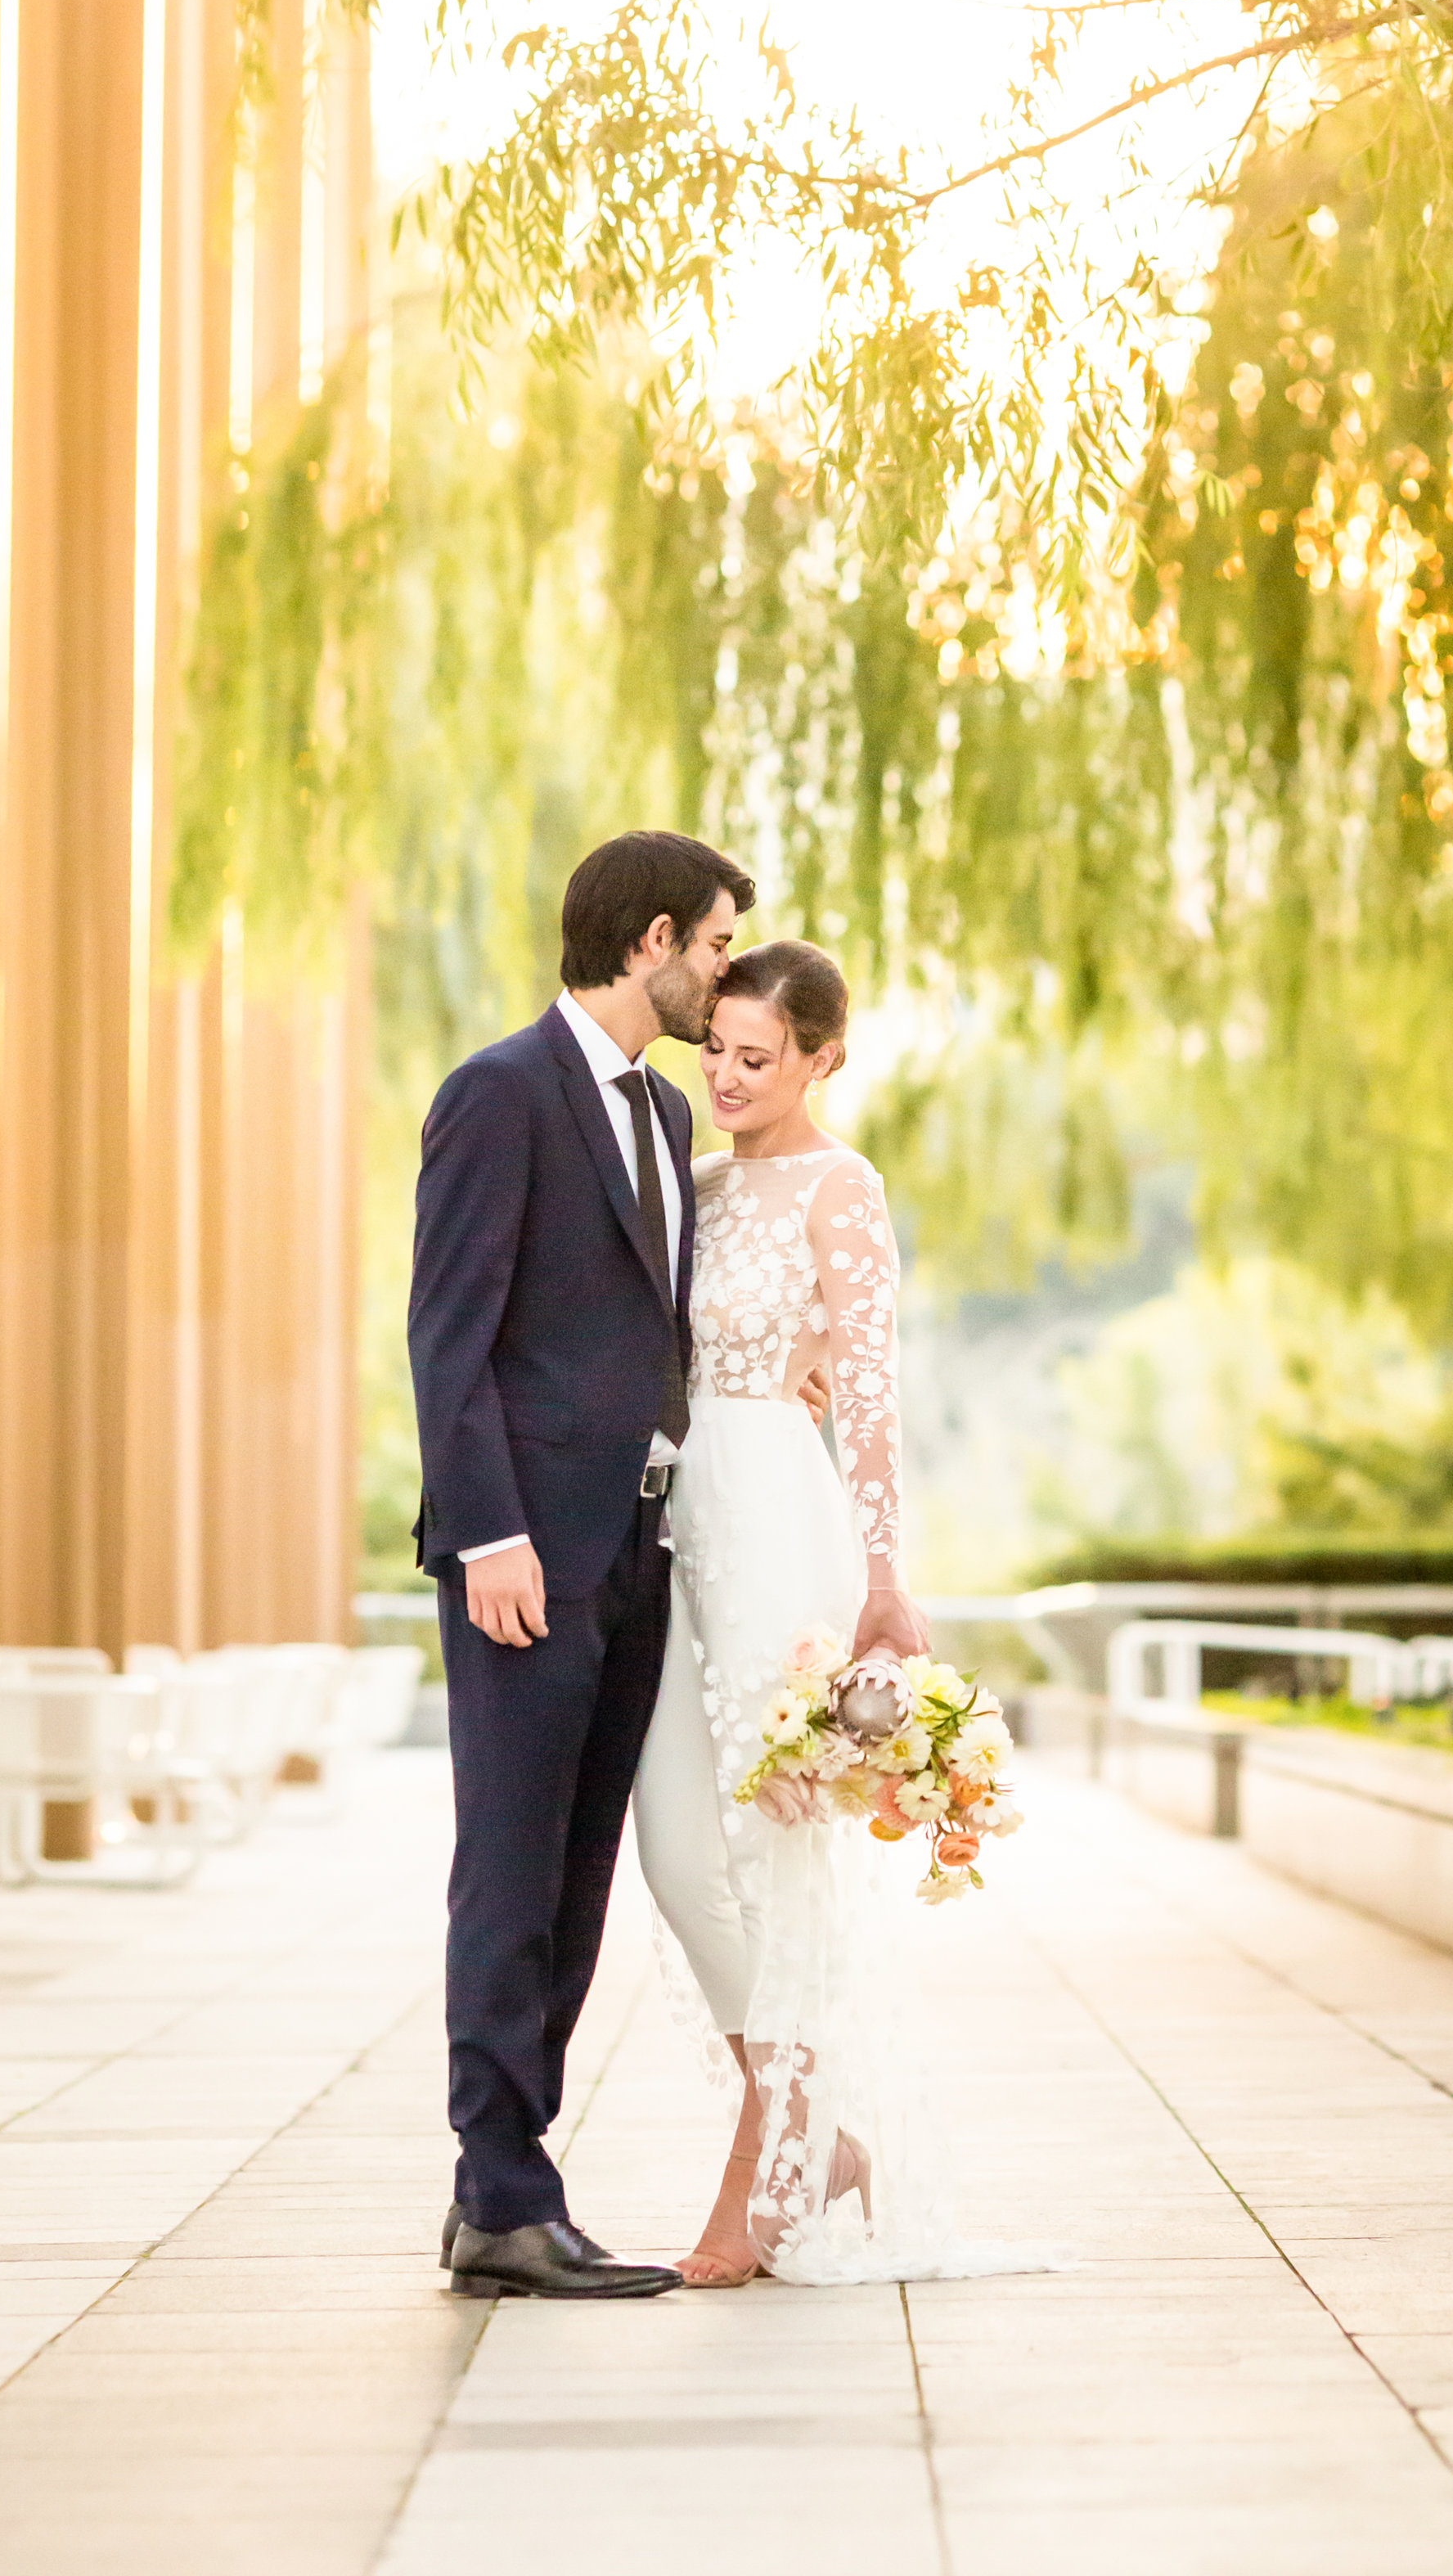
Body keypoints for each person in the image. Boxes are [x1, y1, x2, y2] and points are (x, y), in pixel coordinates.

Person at [631, 939, 1058, 2286]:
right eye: (718, 1053)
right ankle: (821, 2133)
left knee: (777, 1845)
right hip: (673, 1522)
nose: (731, 1078)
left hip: (778, 1524)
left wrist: (886, 1580)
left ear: (822, 1058)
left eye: (760, 1058)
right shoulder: (689, 1187)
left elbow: (868, 1398)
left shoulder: (843, 1186)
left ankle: (773, 2157)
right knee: (674, 1843)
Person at [408, 829, 753, 2301]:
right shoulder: (498, 1094)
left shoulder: (667, 1121)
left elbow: (648, 1333)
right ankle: (499, 2189)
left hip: (636, 1552)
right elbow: (449, 1335)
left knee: (580, 1878)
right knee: (509, 1871)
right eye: (721, 949)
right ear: (654, 938)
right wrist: (487, 1532)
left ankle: (510, 2189)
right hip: (524, 1558)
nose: (725, 978)